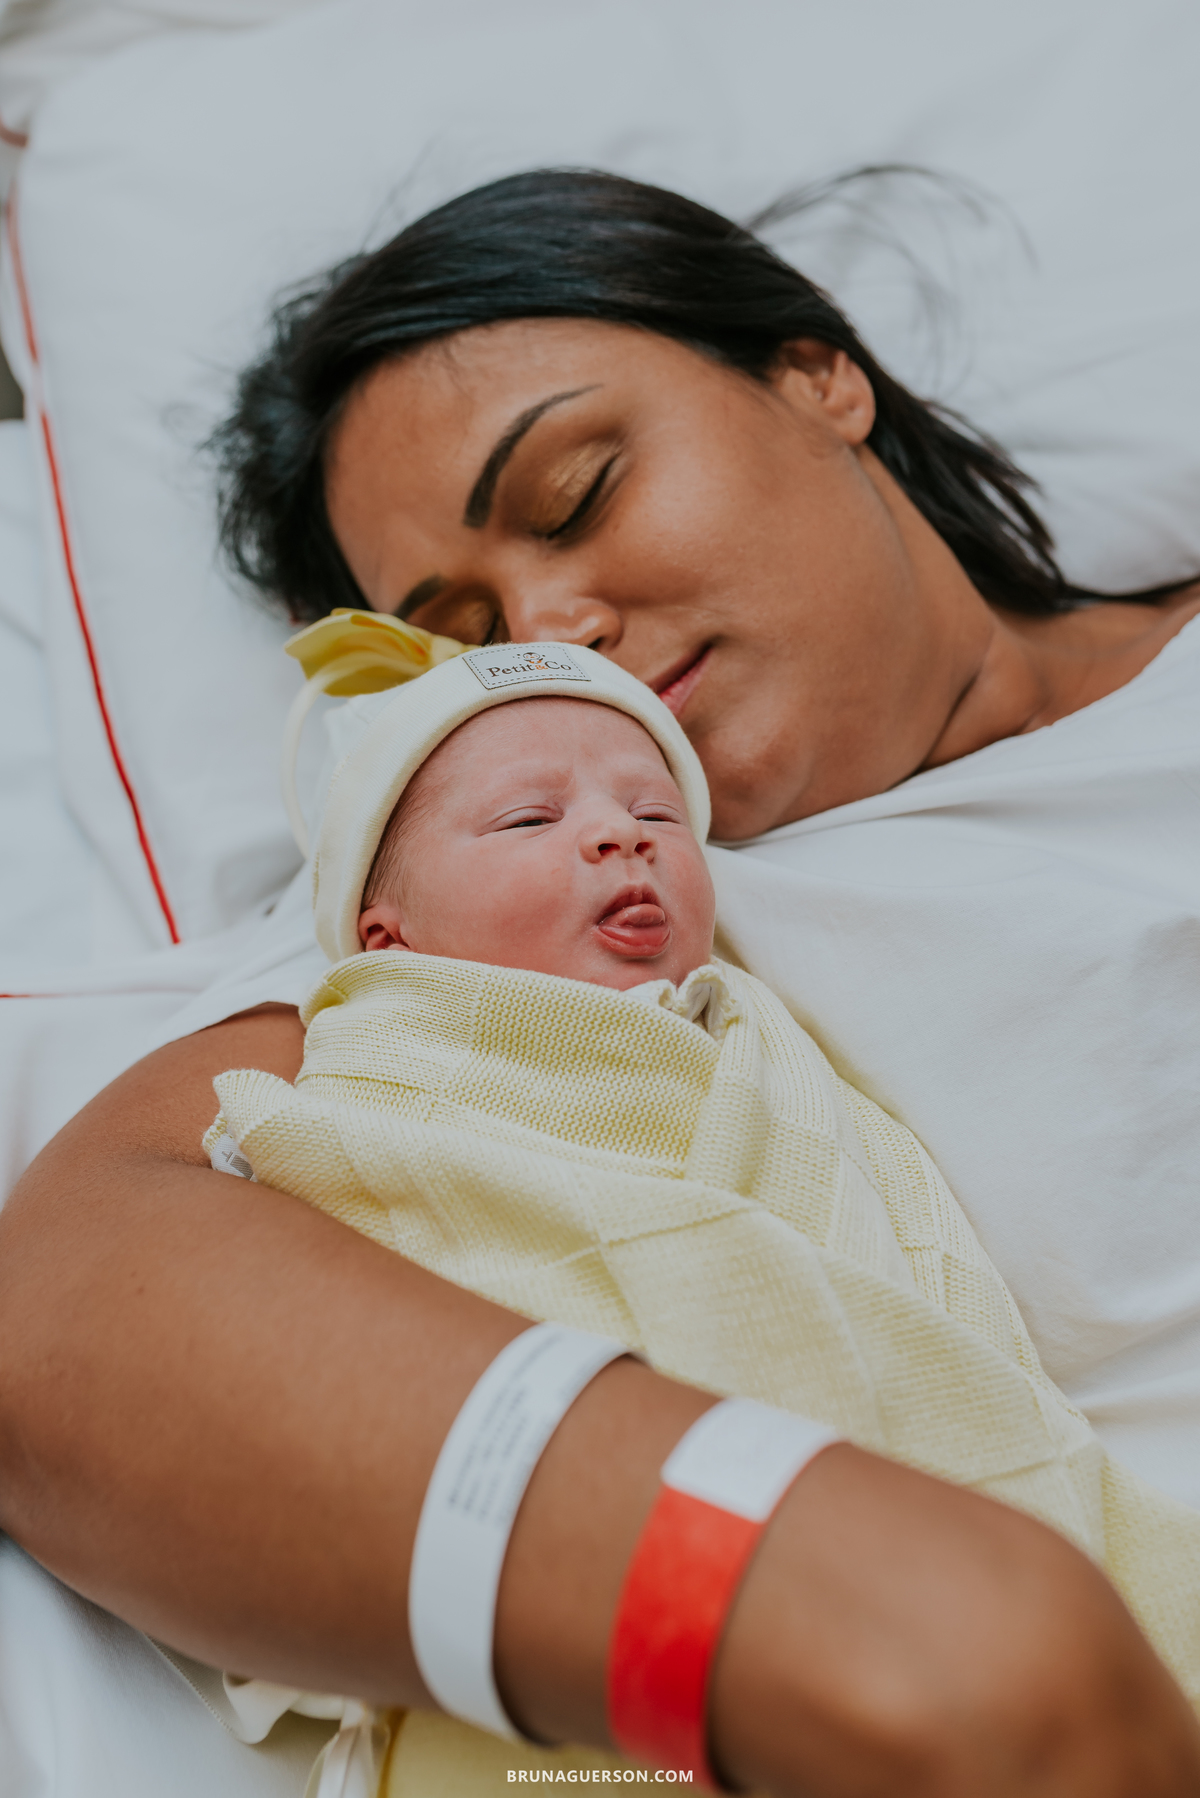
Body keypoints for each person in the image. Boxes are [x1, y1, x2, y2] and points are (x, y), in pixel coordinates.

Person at [2, 170, 1200, 1797]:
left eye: (576, 492)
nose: (558, 624)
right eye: (468, 632)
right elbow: (74, 1307)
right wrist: (809, 1584)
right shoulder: (553, 891)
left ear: (814, 374)